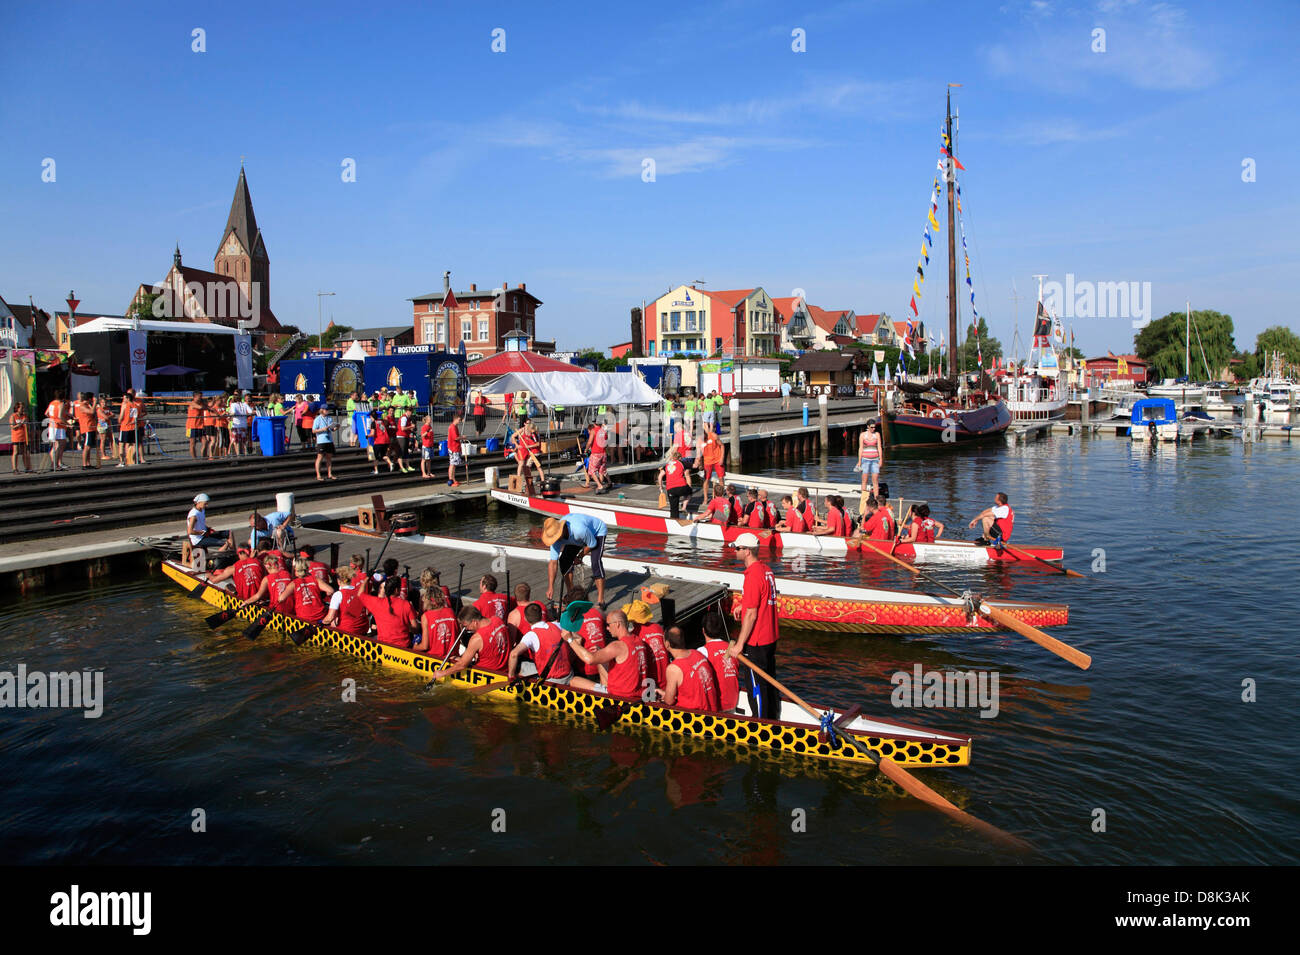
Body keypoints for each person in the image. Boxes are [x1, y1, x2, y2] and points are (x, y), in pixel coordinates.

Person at [726, 533, 780, 719]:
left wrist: (740, 644)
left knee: (756, 686)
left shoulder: (753, 575)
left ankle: (762, 724)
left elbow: (752, 614)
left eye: (738, 548)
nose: (735, 551)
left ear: (747, 551)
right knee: (768, 681)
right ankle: (772, 716)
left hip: (757, 640)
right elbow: (761, 599)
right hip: (770, 637)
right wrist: (745, 603)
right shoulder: (766, 570)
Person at [565, 608, 648, 700]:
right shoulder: (639, 641)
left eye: (608, 625)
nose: (607, 628)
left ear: (617, 624)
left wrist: (570, 639)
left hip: (618, 697)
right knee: (601, 660)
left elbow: (590, 659)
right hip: (636, 693)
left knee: (574, 681)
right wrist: (601, 651)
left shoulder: (617, 646)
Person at [543, 514, 608, 608]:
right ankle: (571, 595)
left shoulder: (579, 529)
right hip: (576, 538)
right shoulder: (556, 538)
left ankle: (601, 600)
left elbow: (592, 544)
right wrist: (550, 586)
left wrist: (580, 556)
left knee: (595, 562)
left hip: (596, 532)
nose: (556, 540)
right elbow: (553, 563)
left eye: (557, 536)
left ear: (563, 530)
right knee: (564, 560)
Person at [506, 603, 572, 684]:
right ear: (541, 615)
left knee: (521, 666)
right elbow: (576, 637)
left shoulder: (531, 635)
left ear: (525, 619)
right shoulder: (557, 625)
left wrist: (511, 676)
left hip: (550, 680)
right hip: (569, 674)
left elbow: (513, 654)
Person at [438, 605, 512, 677]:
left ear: (474, 622)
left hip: (486, 673)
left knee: (453, 659)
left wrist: (442, 673)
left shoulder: (477, 638)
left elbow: (462, 665)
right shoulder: (497, 620)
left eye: (466, 626)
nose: (466, 629)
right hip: (504, 669)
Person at [660, 627, 720, 710]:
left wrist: (662, 697)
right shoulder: (698, 654)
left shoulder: (673, 668)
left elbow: (669, 701)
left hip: (694, 717)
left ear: (667, 644)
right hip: (712, 711)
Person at [358, 576, 418, 647]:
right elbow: (415, 629)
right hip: (403, 646)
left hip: (384, 646)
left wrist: (366, 578)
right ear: (396, 590)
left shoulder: (376, 603)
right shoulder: (406, 604)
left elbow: (360, 594)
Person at [699, 612, 740, 713]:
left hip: (716, 706)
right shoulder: (732, 648)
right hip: (733, 702)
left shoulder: (702, 651)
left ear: (703, 631)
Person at [624, 600, 667, 689]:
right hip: (667, 677)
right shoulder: (657, 627)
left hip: (651, 683)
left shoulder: (635, 635)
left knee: (652, 701)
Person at [323, 566, 368, 636]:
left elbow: (330, 618)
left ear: (338, 581)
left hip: (347, 632)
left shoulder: (338, 595)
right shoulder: (360, 591)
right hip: (363, 628)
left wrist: (319, 623)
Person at [414, 585, 458, 656]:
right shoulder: (451, 611)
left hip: (434, 657)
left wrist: (415, 647)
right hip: (452, 656)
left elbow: (424, 646)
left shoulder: (426, 616)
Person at [286, 557, 333, 623]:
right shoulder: (316, 579)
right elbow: (331, 590)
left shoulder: (294, 583)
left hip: (303, 618)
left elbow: (281, 598)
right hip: (319, 616)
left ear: (296, 570)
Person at [657, 446, 692, 520]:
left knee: (673, 509)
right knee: (689, 492)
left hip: (670, 489)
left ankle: (674, 521)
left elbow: (660, 477)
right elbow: (692, 467)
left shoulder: (667, 465)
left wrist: (660, 487)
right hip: (682, 487)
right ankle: (684, 507)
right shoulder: (682, 462)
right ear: (680, 458)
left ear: (672, 458)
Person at [44, 389, 71, 471]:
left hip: (52, 425)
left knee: (56, 445)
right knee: (59, 445)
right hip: (58, 426)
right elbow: (60, 416)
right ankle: (54, 464)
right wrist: (67, 423)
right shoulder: (60, 404)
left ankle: (55, 464)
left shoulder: (52, 403)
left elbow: (46, 413)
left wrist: (52, 418)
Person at [857, 419, 884, 497]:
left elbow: (879, 447)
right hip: (865, 460)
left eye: (874, 427)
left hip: (875, 460)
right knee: (864, 479)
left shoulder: (877, 434)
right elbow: (860, 448)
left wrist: (881, 459)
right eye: (872, 427)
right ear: (868, 426)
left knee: (875, 480)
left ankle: (876, 498)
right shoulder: (862, 435)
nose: (873, 429)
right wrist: (859, 461)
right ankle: (864, 498)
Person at [697, 429, 725, 499]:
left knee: (721, 478)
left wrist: (722, 458)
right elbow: (698, 454)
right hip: (707, 461)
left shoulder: (713, 435)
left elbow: (722, 446)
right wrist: (699, 463)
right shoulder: (699, 441)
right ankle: (705, 499)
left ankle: (720, 496)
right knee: (706, 479)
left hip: (717, 459)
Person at [312, 404, 338, 480]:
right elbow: (313, 430)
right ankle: (318, 475)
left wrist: (336, 428)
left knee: (329, 458)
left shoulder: (329, 418)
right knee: (319, 457)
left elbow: (331, 429)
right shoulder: (317, 419)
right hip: (321, 441)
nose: (327, 411)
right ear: (322, 410)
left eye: (328, 410)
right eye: (326, 410)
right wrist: (322, 429)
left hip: (329, 440)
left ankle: (330, 474)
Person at [116, 390, 139, 467]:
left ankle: (122, 461)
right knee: (133, 444)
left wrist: (119, 421)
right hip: (133, 427)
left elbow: (121, 416)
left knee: (121, 444)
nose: (123, 400)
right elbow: (136, 417)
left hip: (125, 427)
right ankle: (131, 460)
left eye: (124, 398)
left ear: (128, 398)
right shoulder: (135, 405)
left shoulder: (125, 405)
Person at [74, 393, 97, 468]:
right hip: (87, 428)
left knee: (89, 447)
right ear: (89, 399)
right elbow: (92, 412)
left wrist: (91, 405)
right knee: (86, 447)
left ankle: (88, 463)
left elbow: (93, 414)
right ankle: (84, 464)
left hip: (91, 427)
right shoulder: (82, 406)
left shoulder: (88, 405)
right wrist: (94, 403)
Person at [9, 403, 31, 474]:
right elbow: (13, 427)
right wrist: (21, 423)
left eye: (23, 408)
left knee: (24, 453)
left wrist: (26, 423)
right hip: (16, 437)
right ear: (17, 409)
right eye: (21, 408)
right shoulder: (13, 416)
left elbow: (27, 426)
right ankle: (15, 468)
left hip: (24, 437)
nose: (23, 410)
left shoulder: (24, 416)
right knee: (15, 452)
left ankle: (27, 467)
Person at [230, 392, 254, 457]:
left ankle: (238, 454)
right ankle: (245, 453)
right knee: (244, 441)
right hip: (244, 424)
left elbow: (233, 412)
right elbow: (251, 412)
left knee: (236, 441)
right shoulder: (245, 404)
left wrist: (229, 415)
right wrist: (244, 415)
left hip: (236, 425)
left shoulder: (233, 405)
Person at [446, 410, 464, 487]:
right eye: (459, 420)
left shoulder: (455, 427)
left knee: (454, 464)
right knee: (452, 464)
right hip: (453, 448)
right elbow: (455, 438)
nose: (459, 421)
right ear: (456, 419)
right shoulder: (452, 427)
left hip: (456, 447)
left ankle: (453, 479)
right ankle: (451, 480)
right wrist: (462, 437)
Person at [94, 396, 114, 464]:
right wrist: (108, 416)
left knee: (111, 439)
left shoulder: (107, 408)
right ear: (100, 403)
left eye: (105, 402)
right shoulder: (99, 409)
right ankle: (103, 455)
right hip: (102, 426)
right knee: (103, 440)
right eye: (103, 402)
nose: (104, 404)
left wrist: (109, 416)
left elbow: (113, 415)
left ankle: (113, 453)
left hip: (108, 425)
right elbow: (105, 417)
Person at [186, 391, 204, 459]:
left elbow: (208, 406)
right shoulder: (192, 403)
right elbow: (200, 407)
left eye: (201, 397)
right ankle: (194, 459)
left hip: (200, 425)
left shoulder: (201, 403)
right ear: (195, 397)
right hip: (191, 426)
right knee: (193, 443)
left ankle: (204, 457)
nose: (201, 398)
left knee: (205, 441)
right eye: (199, 397)